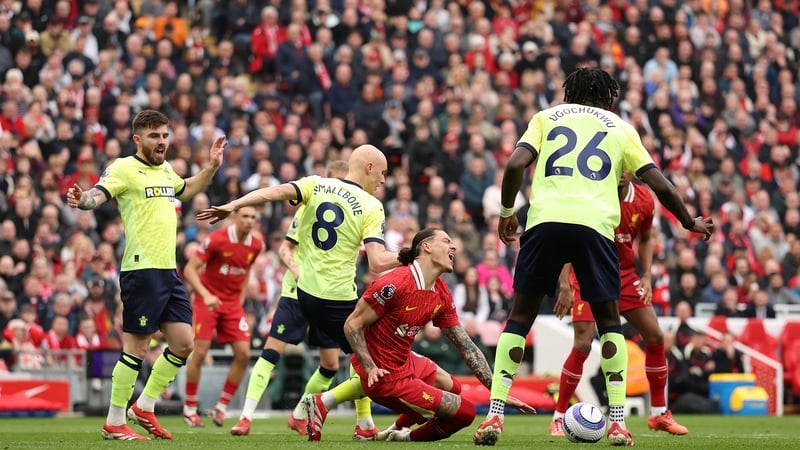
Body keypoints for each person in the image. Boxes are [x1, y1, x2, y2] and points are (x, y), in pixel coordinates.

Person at [474, 68, 714, 447]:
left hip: (545, 222)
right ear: (608, 97)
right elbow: (659, 183)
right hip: (595, 228)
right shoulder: (620, 128)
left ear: (570, 92)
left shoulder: (545, 117)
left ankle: (494, 414)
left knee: (519, 318)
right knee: (609, 323)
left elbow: (514, 164)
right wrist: (689, 221)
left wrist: (506, 214)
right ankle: (618, 422)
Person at [198, 145, 401, 438]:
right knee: (365, 355)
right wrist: (414, 254)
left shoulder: (315, 185)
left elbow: (273, 192)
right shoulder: (371, 206)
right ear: (368, 168)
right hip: (326, 294)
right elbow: (378, 261)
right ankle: (354, 420)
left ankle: (300, 414)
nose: (383, 180)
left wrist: (234, 204)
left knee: (331, 365)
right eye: (382, 173)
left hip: (306, 292)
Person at [67, 109, 227, 441]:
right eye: (154, 136)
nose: (162, 142)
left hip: (168, 271)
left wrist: (211, 167)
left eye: (165, 136)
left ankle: (144, 407)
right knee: (137, 348)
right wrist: (83, 200)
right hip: (141, 269)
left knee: (184, 343)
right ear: (138, 139)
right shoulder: (124, 168)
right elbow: (99, 193)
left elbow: (186, 189)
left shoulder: (167, 170)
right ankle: (114, 420)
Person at [303, 229, 535, 442]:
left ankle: (389, 429)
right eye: (446, 241)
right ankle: (403, 438)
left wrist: (498, 393)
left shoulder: (441, 291)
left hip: (405, 360)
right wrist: (370, 366)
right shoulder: (395, 284)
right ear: (426, 247)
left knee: (453, 387)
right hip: (387, 378)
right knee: (466, 412)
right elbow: (352, 324)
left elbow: (467, 347)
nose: (453, 247)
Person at [549, 170, 689, 438]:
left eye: (625, 168)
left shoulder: (645, 200)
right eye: (615, 166)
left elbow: (646, 238)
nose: (620, 174)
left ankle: (658, 413)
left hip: (624, 276)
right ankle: (558, 416)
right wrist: (565, 284)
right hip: (588, 272)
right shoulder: (591, 194)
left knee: (655, 335)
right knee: (583, 343)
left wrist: (646, 276)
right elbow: (571, 240)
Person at [228, 161, 357, 437]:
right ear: (326, 180)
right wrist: (295, 268)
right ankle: (245, 417)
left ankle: (299, 414)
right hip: (296, 292)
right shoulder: (309, 208)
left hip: (330, 293)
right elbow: (285, 248)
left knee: (331, 365)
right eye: (335, 180)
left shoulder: (354, 213)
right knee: (272, 352)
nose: (340, 188)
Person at [181, 206, 264, 428]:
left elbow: (245, 271)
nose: (249, 221)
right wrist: (205, 295)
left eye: (253, 217)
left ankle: (221, 407)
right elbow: (190, 270)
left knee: (244, 354)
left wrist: (240, 301)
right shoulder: (217, 239)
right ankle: (190, 408)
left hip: (232, 304)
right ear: (235, 218)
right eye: (245, 216)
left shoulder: (256, 245)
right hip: (207, 300)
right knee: (199, 353)